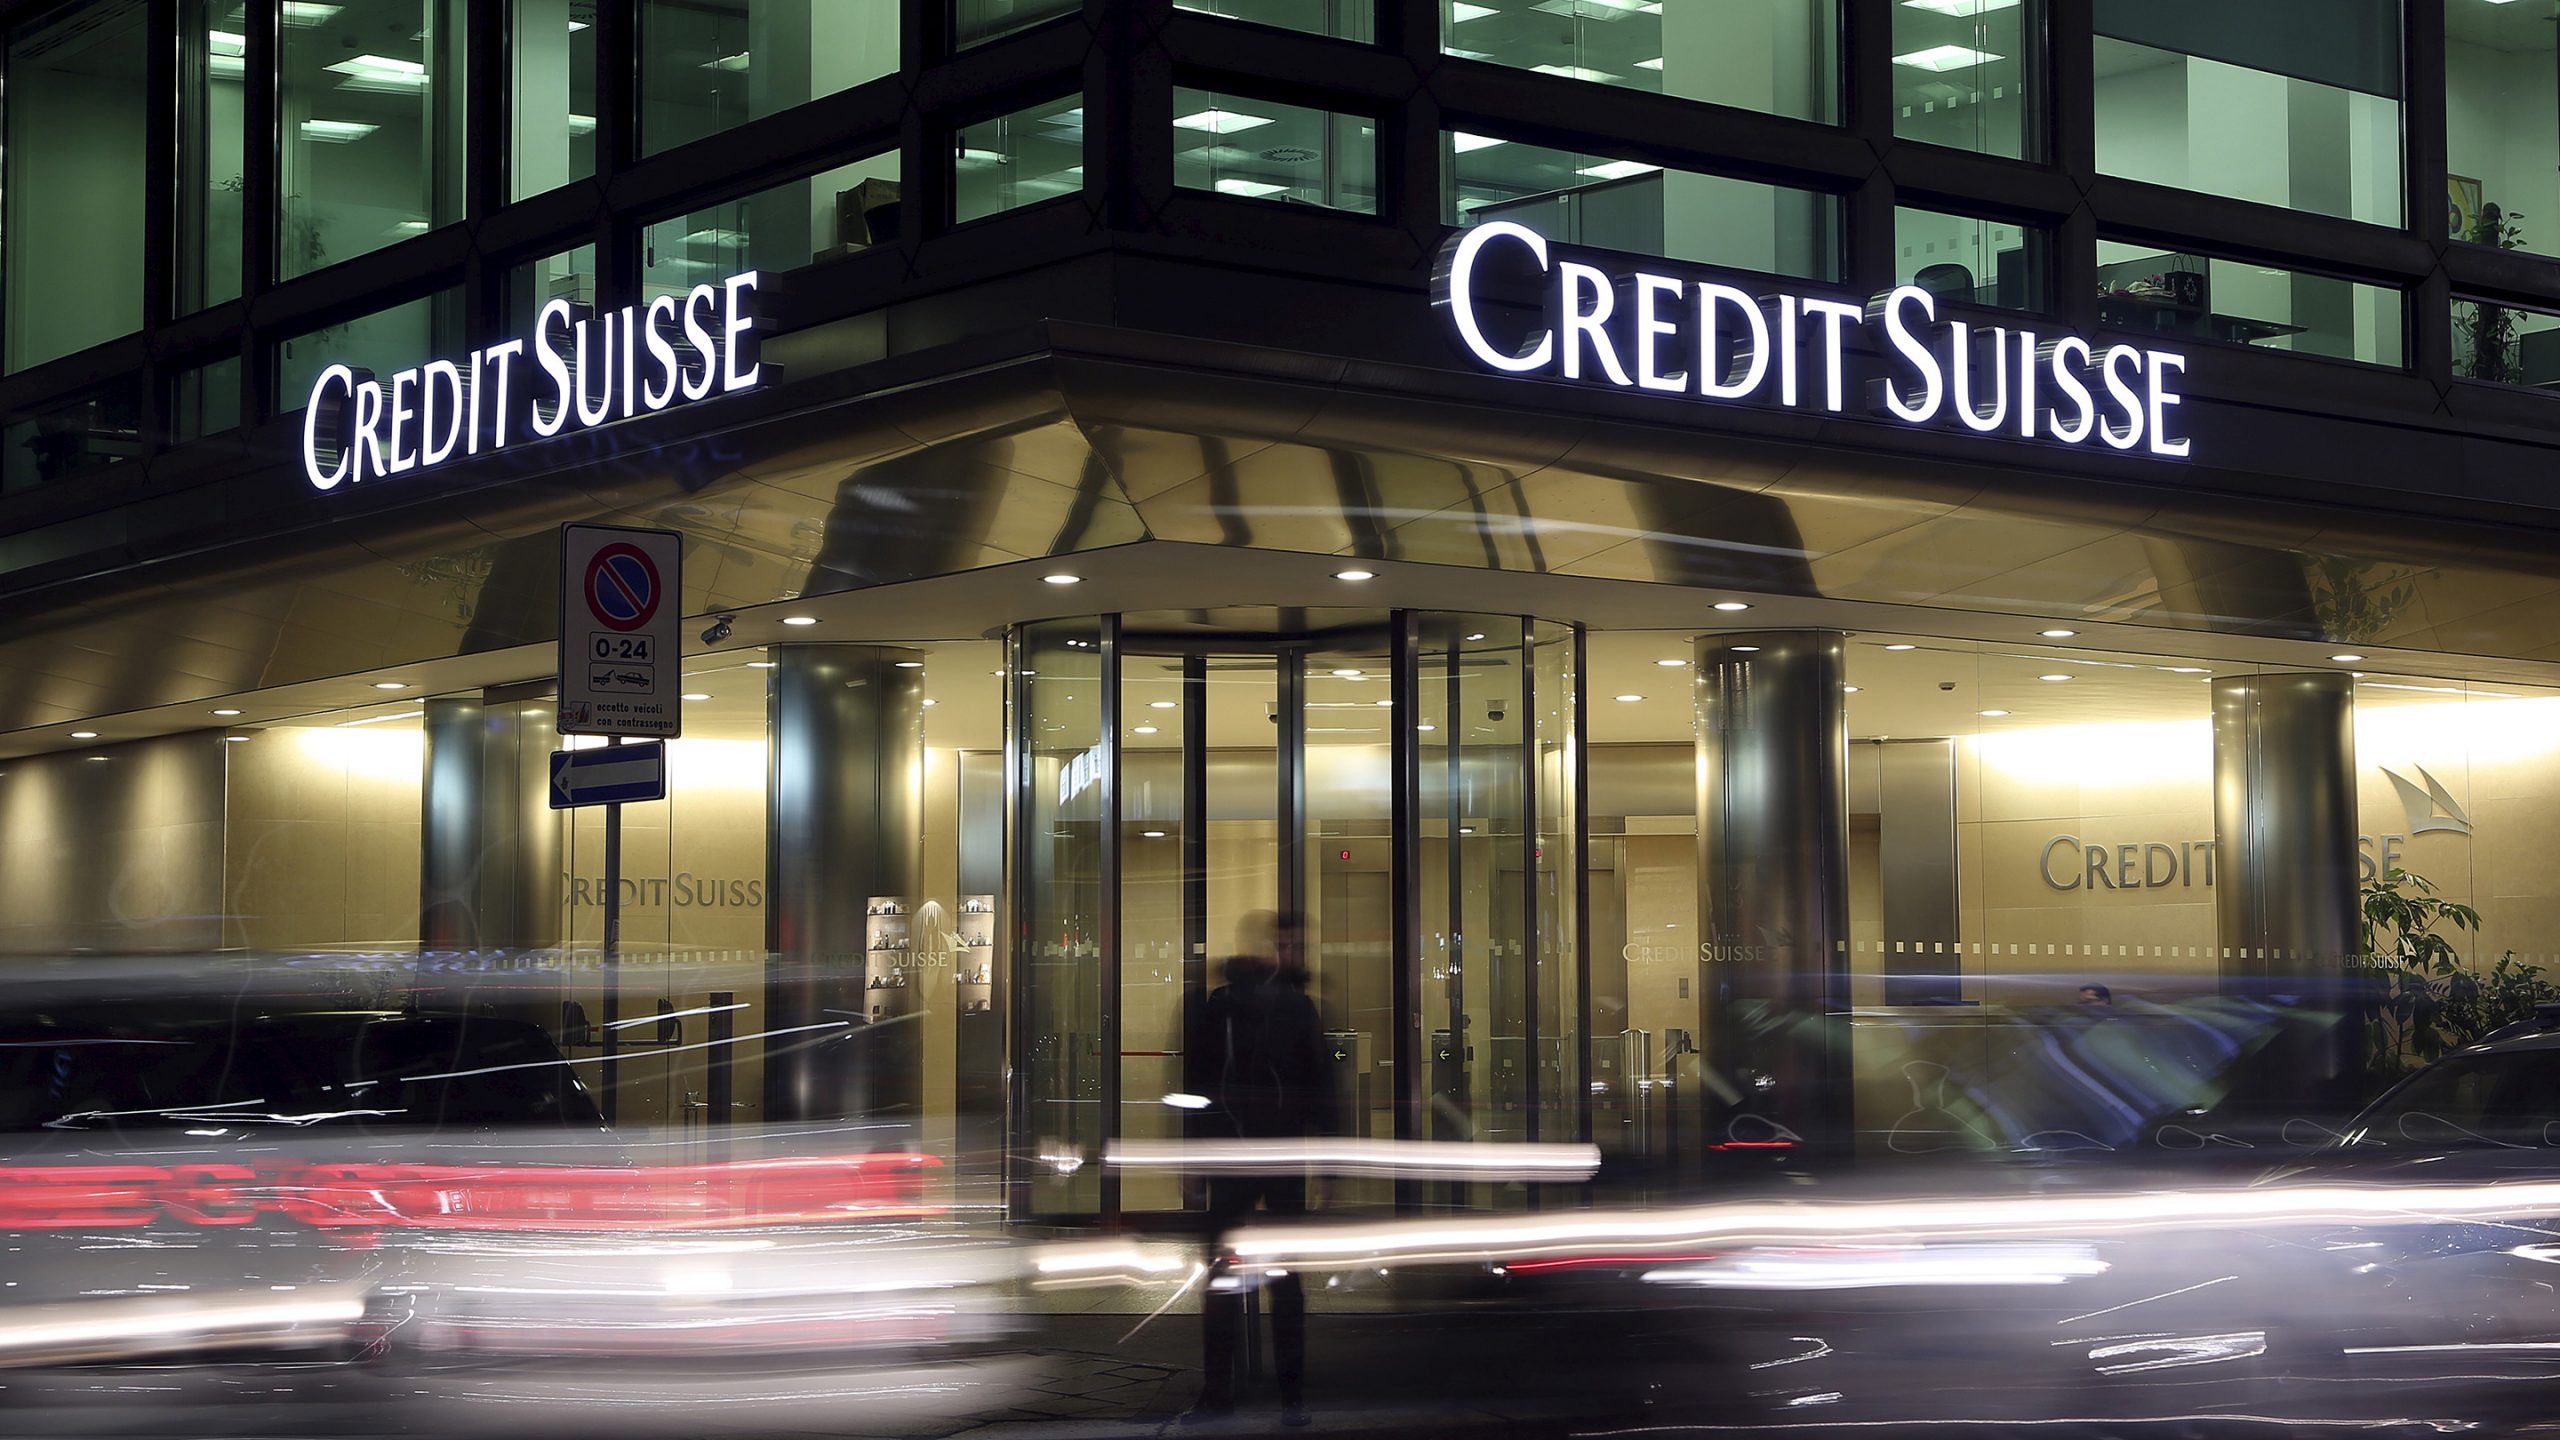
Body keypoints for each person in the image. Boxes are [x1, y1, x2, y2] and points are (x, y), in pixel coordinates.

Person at [1183, 910, 1326, 1426]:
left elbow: (1315, 1083)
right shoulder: (1231, 1006)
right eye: (1285, 945)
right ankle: (1239, 1392)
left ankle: (1274, 1394)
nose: (1291, 954)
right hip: (1247, 1152)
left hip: (1264, 1153)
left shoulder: (1280, 1005)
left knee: (1276, 1282)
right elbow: (1198, 1080)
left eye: (1295, 945)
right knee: (1240, 1279)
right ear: (1267, 948)